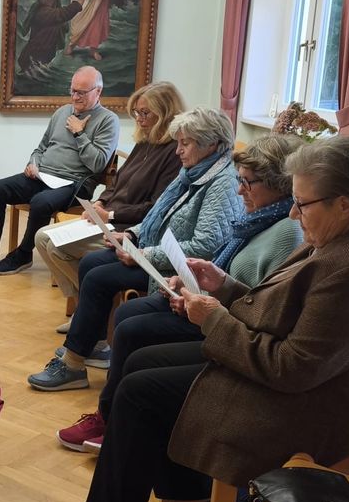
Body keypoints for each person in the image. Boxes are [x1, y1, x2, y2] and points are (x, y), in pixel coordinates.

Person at [50, 137, 349, 502]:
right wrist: (224, 288)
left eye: (302, 204)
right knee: (144, 362)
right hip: (296, 381)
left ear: (344, 203)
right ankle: (189, 498)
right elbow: (294, 320)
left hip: (310, 407)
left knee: (140, 392)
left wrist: (214, 320)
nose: (292, 213)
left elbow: (291, 367)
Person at [55, 133, 304, 456]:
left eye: (248, 182)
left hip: (228, 326)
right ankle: (108, 413)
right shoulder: (257, 213)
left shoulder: (285, 230)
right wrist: (190, 284)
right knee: (126, 312)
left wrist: (195, 297)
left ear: (279, 183)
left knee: (130, 325)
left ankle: (111, 418)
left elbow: (259, 308)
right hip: (215, 302)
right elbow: (235, 276)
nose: (240, 189)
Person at [27, 107, 240, 391]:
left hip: (176, 271)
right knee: (92, 264)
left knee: (98, 277)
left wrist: (143, 254)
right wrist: (130, 234)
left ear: (211, 144)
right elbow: (156, 217)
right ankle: (92, 343)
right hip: (155, 254)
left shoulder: (222, 184)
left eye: (185, 143)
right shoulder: (193, 171)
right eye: (178, 142)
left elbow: (205, 245)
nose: (178, 151)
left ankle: (73, 363)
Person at [34, 81, 184, 315]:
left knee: (55, 246)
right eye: (136, 112)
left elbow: (155, 208)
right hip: (109, 218)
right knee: (42, 237)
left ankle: (90, 311)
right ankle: (87, 307)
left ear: (166, 113)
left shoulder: (174, 153)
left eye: (145, 113)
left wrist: (111, 214)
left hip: (128, 227)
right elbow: (118, 181)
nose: (139, 119)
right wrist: (100, 202)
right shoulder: (145, 142)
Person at [0, 66, 119, 276]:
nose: (75, 97)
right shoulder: (61, 112)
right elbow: (40, 148)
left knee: (41, 202)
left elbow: (97, 164)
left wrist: (79, 134)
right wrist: (34, 164)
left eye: (81, 93)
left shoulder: (108, 121)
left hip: (75, 184)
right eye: (72, 91)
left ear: (98, 92)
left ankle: (23, 254)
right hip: (43, 175)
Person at [17, 0, 94, 74]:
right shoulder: (46, 13)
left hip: (38, 58)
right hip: (34, 58)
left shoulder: (48, 7)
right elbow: (68, 12)